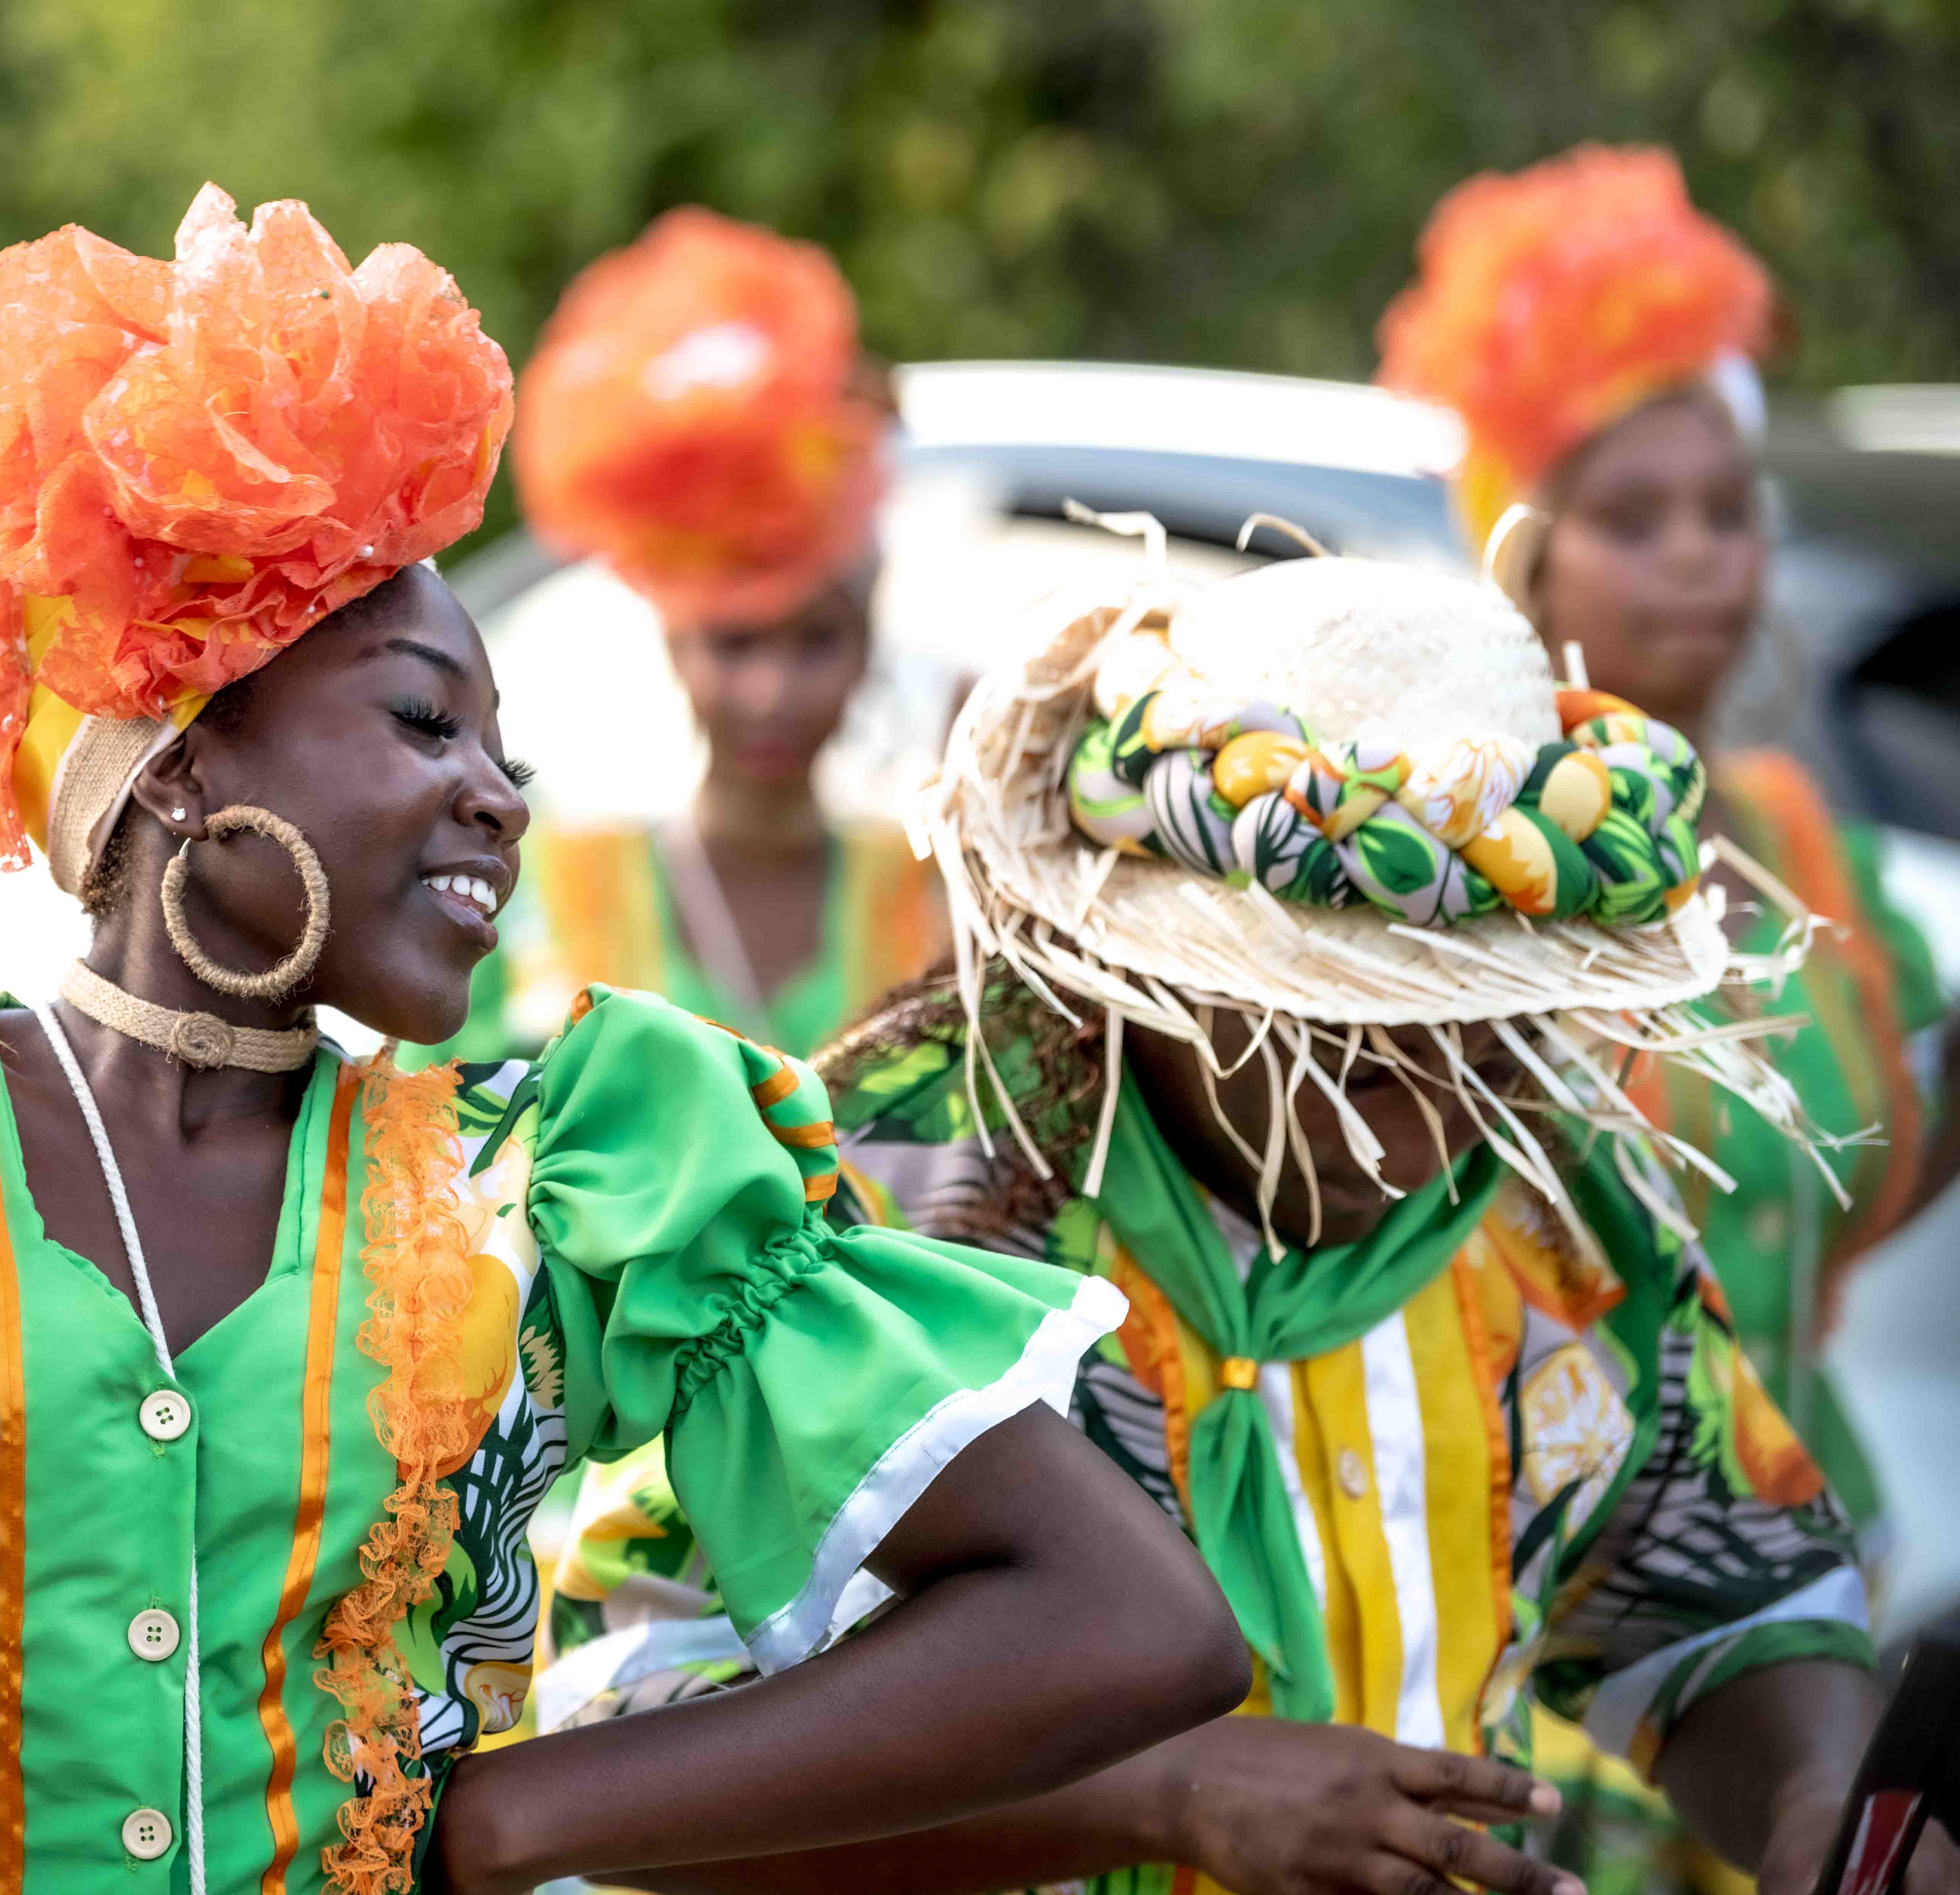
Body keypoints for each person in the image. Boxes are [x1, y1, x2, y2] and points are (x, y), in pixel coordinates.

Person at [0, 186, 1245, 1895]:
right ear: (171, 761)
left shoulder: (562, 1170)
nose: (497, 799)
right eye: (426, 723)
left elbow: (1126, 1623)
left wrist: (528, 1815)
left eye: (510, 754)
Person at [537, 550, 1937, 1895]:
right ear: (1138, 968)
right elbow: (617, 1752)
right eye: (1344, 1047)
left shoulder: (1551, 1206)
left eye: (1484, 1044)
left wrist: (1814, 1807)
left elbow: (1715, 1583)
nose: (1412, 1127)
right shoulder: (882, 1207)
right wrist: (1164, 1794)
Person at [1379, 147, 1956, 1895]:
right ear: (1525, 552)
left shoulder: (1832, 874)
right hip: (1534, 1651)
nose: (1700, 559)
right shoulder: (1435, 878)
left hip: (1807, 1613)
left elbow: (1878, 1172)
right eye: (1635, 519)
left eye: (1727, 510)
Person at [415, 208, 943, 1062]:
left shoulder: (937, 902)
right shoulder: (538, 892)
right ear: (675, 642)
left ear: (869, 647)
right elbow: (432, 1158)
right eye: (735, 642)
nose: (773, 692)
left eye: (817, 642)